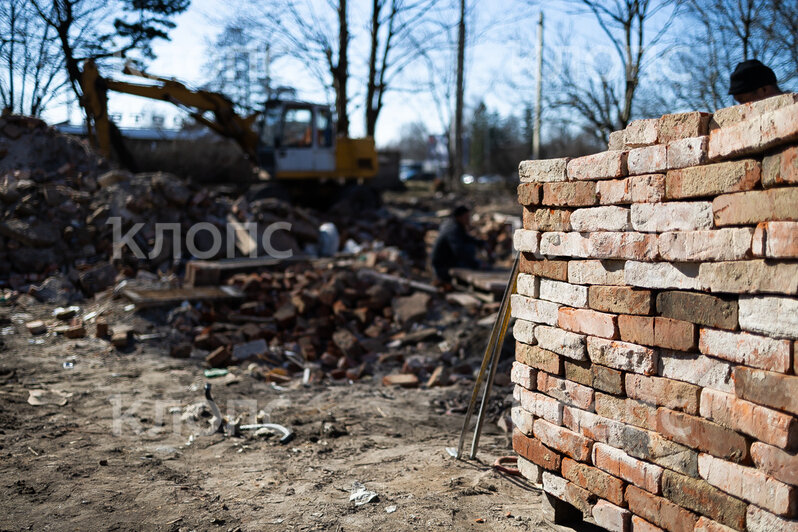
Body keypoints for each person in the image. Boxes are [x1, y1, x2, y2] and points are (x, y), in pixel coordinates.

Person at [431, 205, 486, 288]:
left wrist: (480, 243)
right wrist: (475, 264)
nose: (469, 219)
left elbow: (465, 238)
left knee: (470, 247)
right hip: (443, 266)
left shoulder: (452, 224)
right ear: (459, 217)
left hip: (444, 262)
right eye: (466, 217)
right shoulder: (453, 229)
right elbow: (459, 251)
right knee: (470, 249)